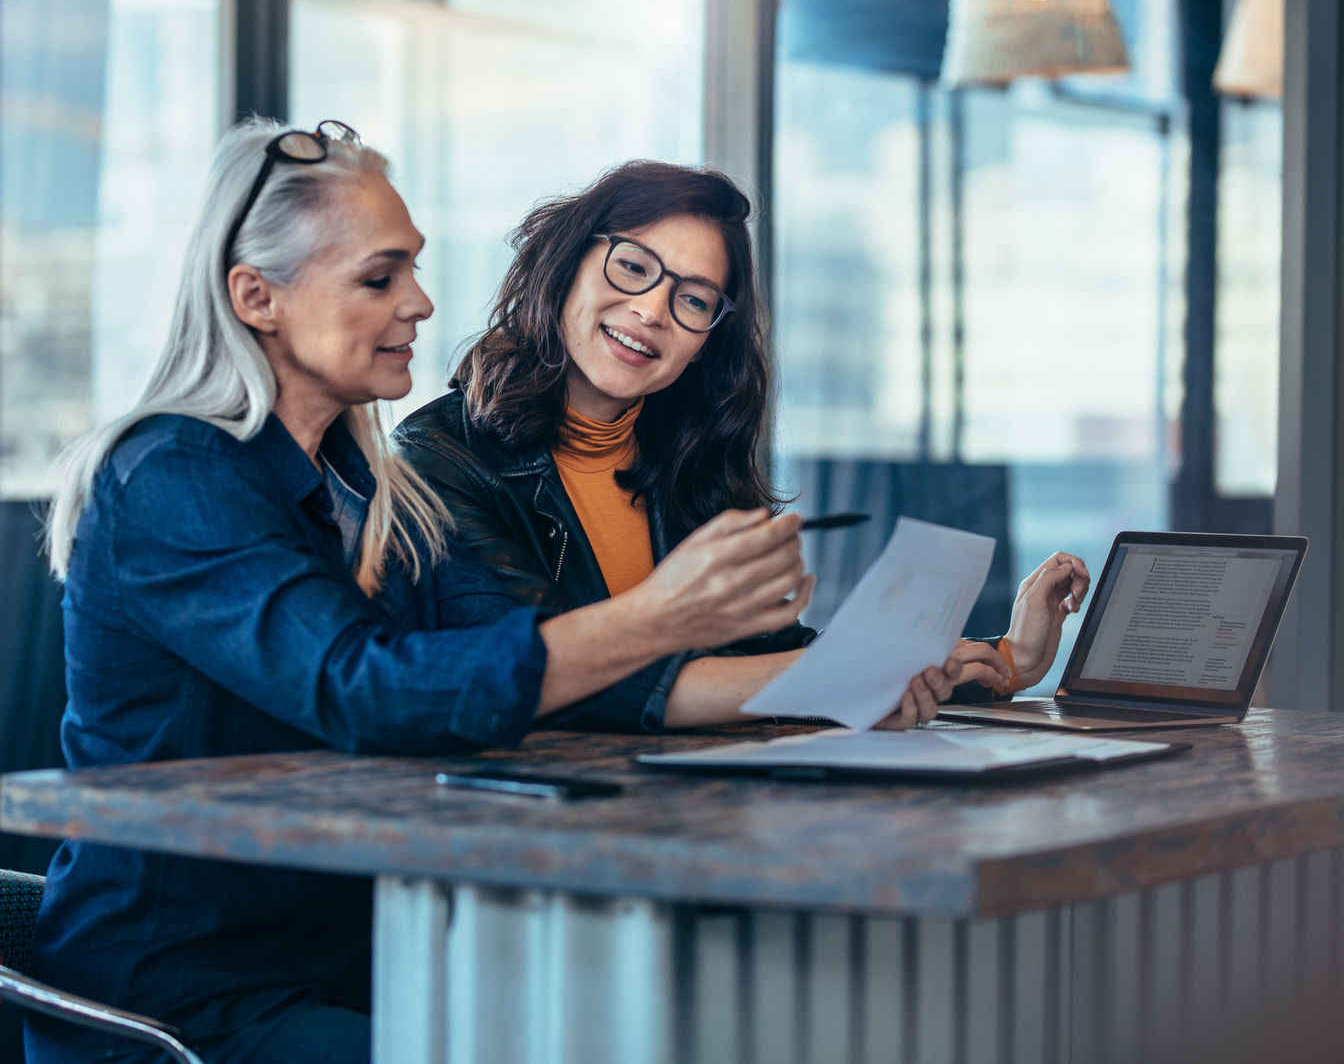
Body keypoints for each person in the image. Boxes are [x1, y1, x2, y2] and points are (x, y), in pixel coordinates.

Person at [29, 122, 858, 1064]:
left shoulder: (377, 490)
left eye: (414, 271)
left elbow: (523, 662)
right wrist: (661, 614)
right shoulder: (173, 476)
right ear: (257, 297)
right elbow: (364, 689)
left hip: (355, 955)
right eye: (380, 279)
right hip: (189, 997)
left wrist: (866, 673)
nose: (420, 303)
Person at [395, 160, 1091, 728]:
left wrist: (1006, 659)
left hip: (690, 815)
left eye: (693, 300)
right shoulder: (437, 460)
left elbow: (768, 658)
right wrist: (848, 679)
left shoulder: (685, 463)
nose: (651, 311)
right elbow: (550, 677)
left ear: (706, 343)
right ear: (567, 263)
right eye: (633, 267)